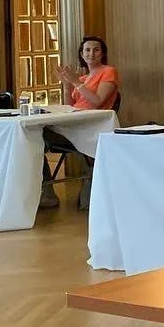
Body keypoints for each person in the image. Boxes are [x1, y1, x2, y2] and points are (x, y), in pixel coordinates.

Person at [40, 36, 120, 211]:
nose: (91, 53)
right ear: (82, 54)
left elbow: (97, 101)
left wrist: (76, 82)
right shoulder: (83, 78)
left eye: (96, 49)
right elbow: (69, 106)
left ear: (103, 53)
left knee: (36, 136)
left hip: (91, 127)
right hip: (73, 123)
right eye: (87, 50)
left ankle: (47, 193)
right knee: (31, 136)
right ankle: (46, 192)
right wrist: (67, 86)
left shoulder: (108, 72)